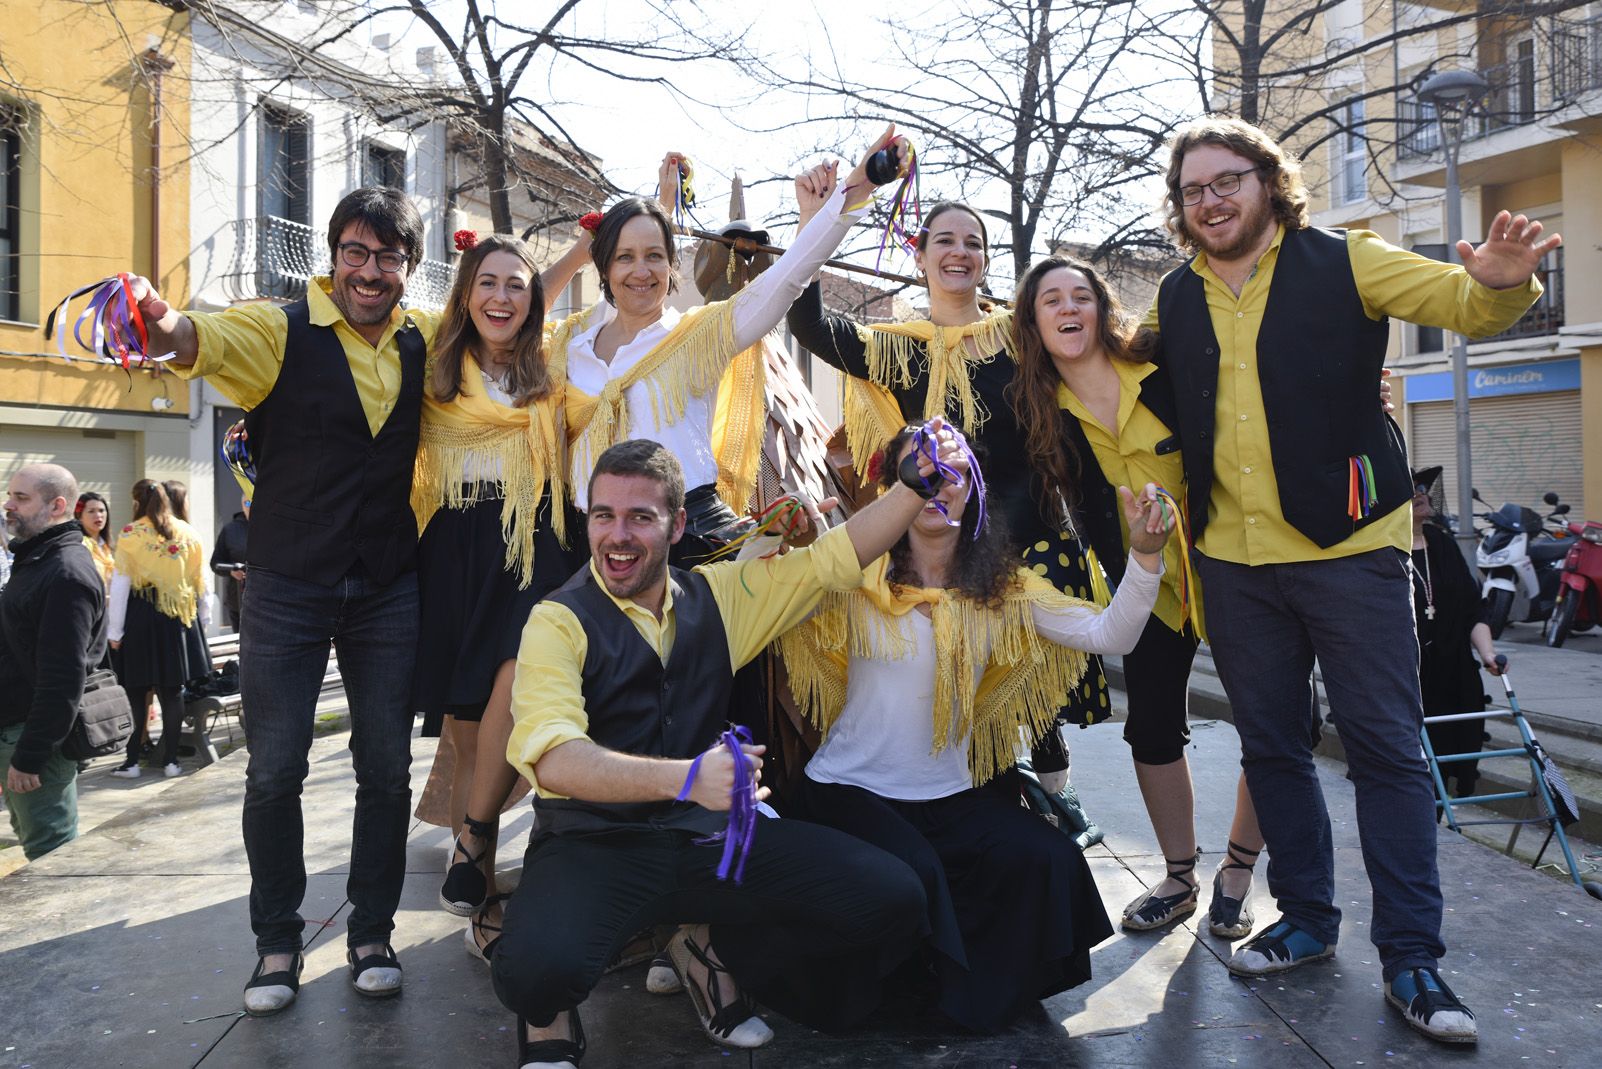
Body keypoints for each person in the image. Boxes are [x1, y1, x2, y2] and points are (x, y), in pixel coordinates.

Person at [1143, 116, 1559, 1044]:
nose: (1209, 200)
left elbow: (1466, 299)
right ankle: (1307, 920)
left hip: (1352, 552)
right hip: (1234, 563)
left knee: (1386, 751)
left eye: (1226, 181)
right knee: (1275, 747)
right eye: (1192, 190)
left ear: (1267, 181)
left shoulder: (1349, 260)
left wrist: (1503, 282)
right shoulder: (1176, 297)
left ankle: (1414, 958)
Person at [446, 133, 909, 953]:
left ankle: (707, 925)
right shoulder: (568, 348)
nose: (642, 271)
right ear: (602, 264)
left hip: (692, 537)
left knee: (726, 707)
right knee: (550, 691)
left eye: (656, 256)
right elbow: (497, 338)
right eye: (625, 256)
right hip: (596, 535)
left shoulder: (697, 333)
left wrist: (850, 197)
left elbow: (784, 280)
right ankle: (506, 848)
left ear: (671, 263)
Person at [492, 434, 977, 1068]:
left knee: (890, 898)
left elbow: (837, 556)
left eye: (641, 517)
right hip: (594, 844)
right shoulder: (556, 621)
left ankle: (700, 944)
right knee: (532, 973)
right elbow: (554, 758)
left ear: (677, 524)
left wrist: (912, 489)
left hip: (706, 841)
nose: (618, 535)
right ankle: (553, 1019)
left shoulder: (718, 597)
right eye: (603, 515)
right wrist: (689, 777)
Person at [130, 186, 446, 1014]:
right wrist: (162, 324)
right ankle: (277, 941)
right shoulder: (279, 327)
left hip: (386, 584)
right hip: (288, 586)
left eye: (387, 256)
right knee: (274, 771)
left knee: (385, 769)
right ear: (333, 254)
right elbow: (199, 338)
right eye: (355, 251)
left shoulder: (422, 337)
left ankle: (371, 930)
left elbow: (512, 307)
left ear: (409, 266)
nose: (370, 271)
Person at [780, 426, 1171, 1031]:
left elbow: (1109, 635)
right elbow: (763, 604)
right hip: (852, 793)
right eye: (921, 472)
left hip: (953, 798)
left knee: (1046, 858)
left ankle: (969, 991)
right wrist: (781, 546)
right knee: (911, 879)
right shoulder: (852, 575)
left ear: (974, 491)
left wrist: (1145, 557)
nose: (937, 483)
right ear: (895, 492)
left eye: (952, 472)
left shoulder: (1005, 590)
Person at [787, 187, 1110, 827]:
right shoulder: (895, 347)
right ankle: (973, 797)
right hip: (942, 547)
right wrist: (816, 221)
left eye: (974, 243)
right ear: (920, 256)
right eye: (946, 241)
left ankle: (1056, 802)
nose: (960, 252)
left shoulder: (1019, 340)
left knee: (1033, 691)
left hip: (1031, 535)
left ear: (986, 261)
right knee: (953, 676)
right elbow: (808, 324)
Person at [1006, 256, 1266, 938]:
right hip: (1142, 585)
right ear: (1033, 322)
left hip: (1232, 564)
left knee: (1278, 724)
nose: (1068, 307)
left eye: (1080, 295)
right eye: (1050, 299)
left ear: (1100, 308)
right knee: (1151, 728)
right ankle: (1180, 877)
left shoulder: (1162, 370)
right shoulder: (1039, 414)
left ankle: (1239, 871)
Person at [410, 233, 587, 944]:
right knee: (464, 728)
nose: (502, 296)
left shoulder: (555, 364)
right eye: (488, 282)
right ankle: (477, 900)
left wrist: (590, 245)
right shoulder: (433, 360)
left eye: (517, 284)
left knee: (517, 678)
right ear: (465, 290)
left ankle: (477, 835)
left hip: (534, 538)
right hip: (453, 541)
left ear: (534, 297)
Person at [0, 463, 106, 861]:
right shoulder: (37, 559)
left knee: (52, 859)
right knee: (36, 843)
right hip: (17, 731)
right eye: (10, 495)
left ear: (57, 505)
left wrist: (30, 756)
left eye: (21, 498)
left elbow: (63, 679)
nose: (9, 505)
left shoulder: (65, 572)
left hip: (33, 740)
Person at [106, 480, 210, 780]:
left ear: (137, 501)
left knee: (137, 692)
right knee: (172, 692)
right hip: (178, 619)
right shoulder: (188, 532)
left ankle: (131, 763)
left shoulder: (130, 533)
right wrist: (201, 621)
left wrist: (115, 632)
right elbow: (200, 584)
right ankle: (171, 762)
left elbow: (121, 585)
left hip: (141, 615)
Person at [1409, 465, 1501, 799]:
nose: (1421, 493)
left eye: (1422, 487)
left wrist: (1488, 654)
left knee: (1449, 764)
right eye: (1412, 488)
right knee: (1413, 774)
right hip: (1409, 680)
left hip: (1455, 676)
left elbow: (1472, 608)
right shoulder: (1383, 553)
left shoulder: (1442, 544)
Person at [210, 495, 250, 632]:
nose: (249, 507)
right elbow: (215, 563)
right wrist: (231, 571)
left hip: (266, 599)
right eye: (247, 503)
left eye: (253, 502)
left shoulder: (272, 527)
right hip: (237, 599)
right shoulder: (230, 530)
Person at [76, 491, 116, 593]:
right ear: (79, 516)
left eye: (101, 510)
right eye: (91, 511)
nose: (98, 515)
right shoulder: (79, 544)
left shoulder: (105, 545)